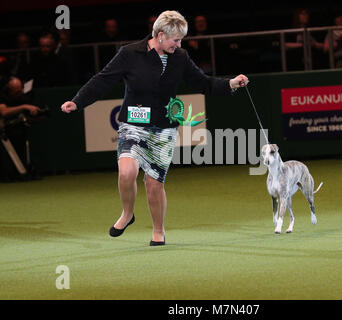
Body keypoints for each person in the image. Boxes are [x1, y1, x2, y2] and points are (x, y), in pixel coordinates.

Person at [61, 10, 249, 246]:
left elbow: (203, 83)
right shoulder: (130, 53)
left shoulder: (180, 57)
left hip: (163, 129)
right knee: (126, 172)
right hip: (133, 124)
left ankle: (158, 231)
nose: (179, 44)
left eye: (181, 40)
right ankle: (127, 214)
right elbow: (103, 80)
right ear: (160, 35)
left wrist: (231, 84)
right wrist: (77, 101)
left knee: (154, 183)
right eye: (176, 39)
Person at [0, 76, 40, 181]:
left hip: (20, 130)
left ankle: (25, 172)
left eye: (20, 89)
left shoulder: (23, 97)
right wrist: (24, 107)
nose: (19, 92)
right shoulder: (3, 96)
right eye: (16, 91)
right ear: (9, 90)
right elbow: (4, 112)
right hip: (4, 133)